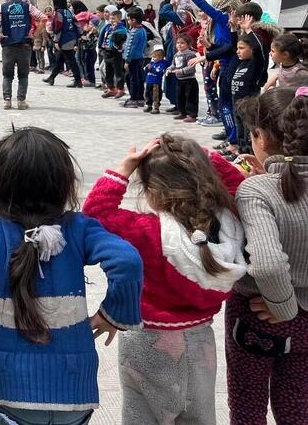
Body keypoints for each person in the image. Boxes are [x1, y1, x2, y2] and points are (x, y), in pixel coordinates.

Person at [0, 127, 143, 425]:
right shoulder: (81, 229)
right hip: (75, 390)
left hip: (10, 386)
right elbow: (127, 261)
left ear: (0, 186)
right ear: (64, 184)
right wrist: (114, 314)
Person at [83, 135, 247, 425]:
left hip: (147, 341)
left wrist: (123, 169)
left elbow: (95, 215)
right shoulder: (226, 228)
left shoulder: (146, 231)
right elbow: (239, 187)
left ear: (152, 191)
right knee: (198, 416)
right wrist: (205, 156)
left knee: (142, 416)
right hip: (199, 340)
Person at [226, 87, 308, 423]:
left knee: (248, 410)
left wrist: (285, 307)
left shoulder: (256, 190)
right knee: (297, 409)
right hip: (306, 326)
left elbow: (270, 262)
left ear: (263, 139)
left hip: (260, 319)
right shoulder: (266, 185)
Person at [181, 0, 240, 151]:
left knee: (226, 106)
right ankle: (233, 140)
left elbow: (205, 4)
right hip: (224, 65)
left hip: (229, 66)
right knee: (227, 106)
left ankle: (234, 143)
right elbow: (218, 0)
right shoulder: (229, 18)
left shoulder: (223, 19)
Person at [0, 0, 46, 109]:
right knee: (23, 75)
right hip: (25, 44)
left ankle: (7, 101)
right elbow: (43, 18)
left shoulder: (2, 7)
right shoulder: (28, 7)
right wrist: (34, 34)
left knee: (7, 75)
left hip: (8, 45)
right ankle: (21, 101)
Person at [228, 33, 267, 157]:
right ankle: (242, 152)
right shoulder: (241, 62)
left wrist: (249, 30)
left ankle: (250, 154)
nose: (238, 51)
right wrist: (234, 29)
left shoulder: (255, 64)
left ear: (252, 49)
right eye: (238, 48)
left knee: (248, 131)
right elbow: (233, 47)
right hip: (237, 103)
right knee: (240, 130)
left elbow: (260, 50)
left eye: (242, 48)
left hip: (248, 105)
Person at [44, 0, 82, 88]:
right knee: (60, 60)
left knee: (71, 61)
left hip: (64, 39)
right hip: (71, 37)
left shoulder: (59, 13)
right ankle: (52, 77)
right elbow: (76, 23)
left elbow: (58, 27)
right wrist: (79, 35)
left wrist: (56, 41)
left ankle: (78, 81)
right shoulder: (68, 11)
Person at [168, 33, 199, 122]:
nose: (179, 45)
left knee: (190, 98)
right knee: (180, 97)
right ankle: (182, 112)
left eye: (182, 43)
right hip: (180, 80)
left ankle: (192, 114)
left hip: (189, 80)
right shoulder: (177, 55)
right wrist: (169, 69)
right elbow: (173, 65)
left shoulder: (190, 54)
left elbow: (191, 67)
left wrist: (181, 71)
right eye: (178, 43)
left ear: (188, 44)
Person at [121, 9, 148, 107]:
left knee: (132, 79)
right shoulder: (143, 30)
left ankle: (133, 99)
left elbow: (131, 48)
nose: (128, 22)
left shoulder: (135, 32)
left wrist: (127, 61)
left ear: (134, 20)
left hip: (133, 59)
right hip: (140, 57)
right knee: (139, 78)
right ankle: (140, 98)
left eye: (129, 20)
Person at [100, 9, 127, 99]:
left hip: (116, 53)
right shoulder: (108, 27)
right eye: (111, 19)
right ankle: (111, 89)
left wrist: (115, 30)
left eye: (114, 19)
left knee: (118, 72)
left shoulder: (122, 29)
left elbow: (120, 41)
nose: (112, 20)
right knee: (108, 72)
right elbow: (102, 36)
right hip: (107, 51)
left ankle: (120, 89)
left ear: (119, 19)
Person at [143, 45, 167, 114]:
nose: (154, 58)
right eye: (153, 57)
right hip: (149, 81)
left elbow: (159, 72)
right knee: (147, 94)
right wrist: (147, 68)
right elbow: (146, 71)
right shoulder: (152, 62)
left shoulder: (162, 64)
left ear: (161, 57)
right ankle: (149, 105)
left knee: (155, 95)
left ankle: (156, 107)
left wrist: (152, 69)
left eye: (156, 57)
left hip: (156, 82)